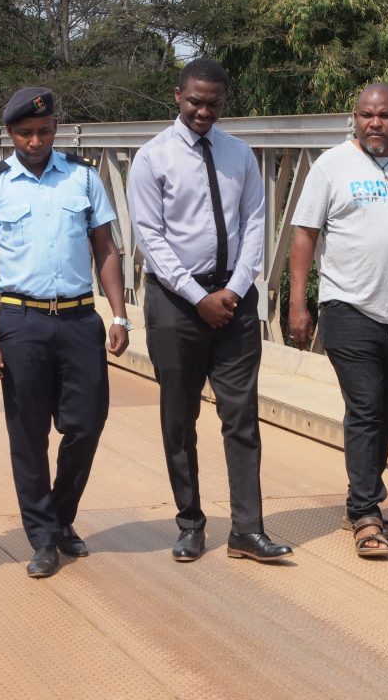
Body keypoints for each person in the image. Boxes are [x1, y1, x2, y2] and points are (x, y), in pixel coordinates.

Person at [127, 58, 292, 564]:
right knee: (180, 417)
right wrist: (198, 298)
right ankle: (190, 523)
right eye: (195, 101)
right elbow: (149, 238)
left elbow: (255, 225)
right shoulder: (152, 158)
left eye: (213, 103)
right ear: (177, 95)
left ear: (224, 101)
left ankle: (247, 529)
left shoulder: (239, 155)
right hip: (177, 304)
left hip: (234, 304)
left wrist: (235, 291)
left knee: (241, 417)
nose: (203, 111)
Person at [0, 86, 129, 579]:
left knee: (85, 423)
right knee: (29, 433)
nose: (35, 140)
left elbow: (105, 249)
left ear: (56, 129)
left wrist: (119, 314)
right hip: (21, 321)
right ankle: (42, 537)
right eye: (24, 132)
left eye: (43, 131)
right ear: (10, 134)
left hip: (80, 319)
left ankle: (60, 516)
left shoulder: (83, 177)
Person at [288, 82, 388, 559]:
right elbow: (303, 236)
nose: (374, 123)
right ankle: (366, 513)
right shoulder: (331, 165)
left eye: (384, 115)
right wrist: (299, 304)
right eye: (365, 115)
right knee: (365, 409)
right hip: (347, 306)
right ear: (354, 118)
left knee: (387, 413)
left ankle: (362, 501)